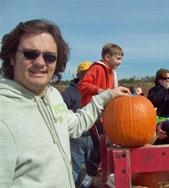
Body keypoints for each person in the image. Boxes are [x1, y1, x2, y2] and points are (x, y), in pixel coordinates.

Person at [0, 19, 131, 188]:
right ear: (11, 57)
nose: (40, 62)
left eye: (49, 57)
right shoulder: (4, 113)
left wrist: (107, 95)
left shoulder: (53, 96)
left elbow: (75, 125)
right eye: (30, 54)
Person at [78, 43, 123, 188]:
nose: (120, 62)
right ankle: (89, 178)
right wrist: (100, 91)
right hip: (93, 114)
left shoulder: (111, 72)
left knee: (106, 145)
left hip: (104, 115)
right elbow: (82, 85)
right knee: (99, 146)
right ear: (107, 56)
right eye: (118, 58)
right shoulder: (97, 68)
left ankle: (104, 175)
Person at [61, 61, 94, 188]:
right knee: (75, 169)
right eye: (85, 73)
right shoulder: (68, 92)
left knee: (92, 169)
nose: (88, 76)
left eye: (90, 73)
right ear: (79, 74)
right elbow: (63, 114)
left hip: (92, 136)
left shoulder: (94, 90)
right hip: (76, 138)